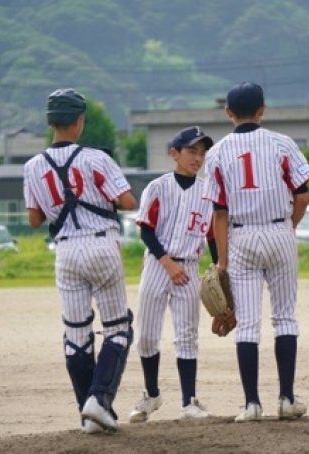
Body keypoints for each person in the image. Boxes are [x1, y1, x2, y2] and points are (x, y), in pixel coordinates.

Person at [23, 88, 137, 434]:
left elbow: (34, 219)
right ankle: (99, 400)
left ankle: (88, 414)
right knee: (118, 327)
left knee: (76, 336)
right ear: (79, 121)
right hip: (101, 244)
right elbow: (128, 202)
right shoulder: (95, 159)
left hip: (66, 251)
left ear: (51, 123)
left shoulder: (32, 166)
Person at [202, 82, 309, 422]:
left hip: (241, 236)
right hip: (279, 230)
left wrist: (222, 262)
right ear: (262, 110)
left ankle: (251, 404)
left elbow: (219, 214)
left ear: (228, 112)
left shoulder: (217, 152)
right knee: (285, 318)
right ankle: (287, 399)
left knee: (248, 325)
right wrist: (288, 227)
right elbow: (303, 196)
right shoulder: (282, 143)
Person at [128, 126, 217, 423]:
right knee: (146, 336)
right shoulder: (157, 187)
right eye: (192, 151)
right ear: (174, 153)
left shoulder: (208, 192)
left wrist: (219, 270)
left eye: (202, 153)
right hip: (158, 265)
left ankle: (189, 401)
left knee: (187, 336)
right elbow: (146, 230)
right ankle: (151, 395)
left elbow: (213, 237)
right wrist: (167, 263)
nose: (198, 158)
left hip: (189, 267)